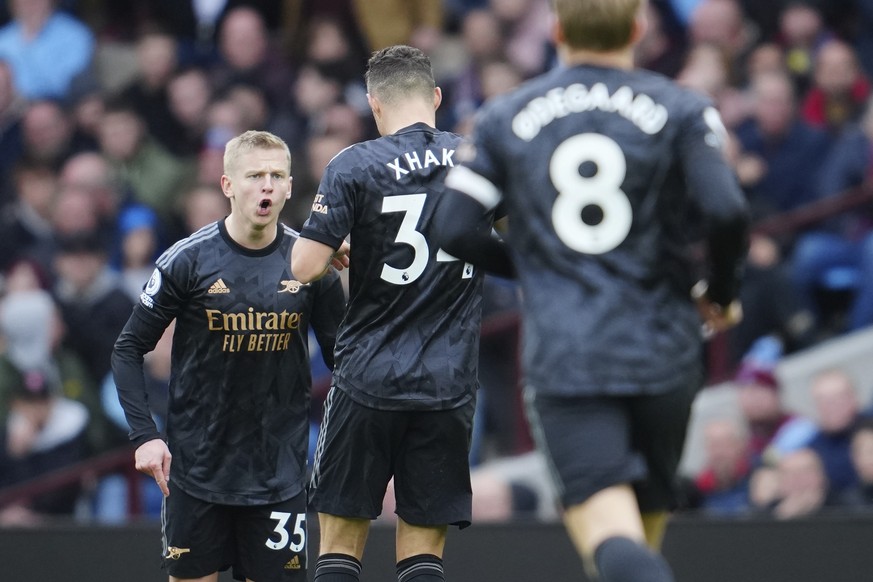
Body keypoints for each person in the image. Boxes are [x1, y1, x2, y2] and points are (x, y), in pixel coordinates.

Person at [434, 1, 749, 581]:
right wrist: (721, 291)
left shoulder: (505, 115)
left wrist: (535, 267)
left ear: (555, 30)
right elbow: (727, 211)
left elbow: (451, 227)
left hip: (570, 355)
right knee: (641, 532)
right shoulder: (683, 107)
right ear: (637, 29)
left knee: (607, 534)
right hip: (666, 349)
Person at [290, 45, 489, 582]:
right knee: (423, 559)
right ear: (437, 98)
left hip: (368, 379)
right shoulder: (477, 158)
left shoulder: (354, 165)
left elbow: (304, 267)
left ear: (375, 104)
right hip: (448, 383)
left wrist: (331, 247)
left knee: (338, 550)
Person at [111, 130, 346, 581]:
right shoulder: (187, 260)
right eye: (255, 175)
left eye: (277, 175)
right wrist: (145, 436)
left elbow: (344, 361)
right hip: (196, 474)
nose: (267, 186)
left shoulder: (311, 264)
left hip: (279, 475)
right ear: (227, 185)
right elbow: (128, 349)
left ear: (291, 186)